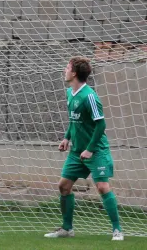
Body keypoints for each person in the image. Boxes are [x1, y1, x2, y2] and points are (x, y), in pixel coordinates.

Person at [44, 57, 123, 241]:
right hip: (76, 151)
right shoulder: (70, 93)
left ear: (74, 73)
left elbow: (101, 125)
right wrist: (66, 137)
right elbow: (74, 120)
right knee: (63, 186)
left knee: (103, 187)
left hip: (96, 151)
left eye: (67, 67)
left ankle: (117, 230)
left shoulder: (89, 96)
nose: (64, 70)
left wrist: (89, 149)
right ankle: (66, 229)